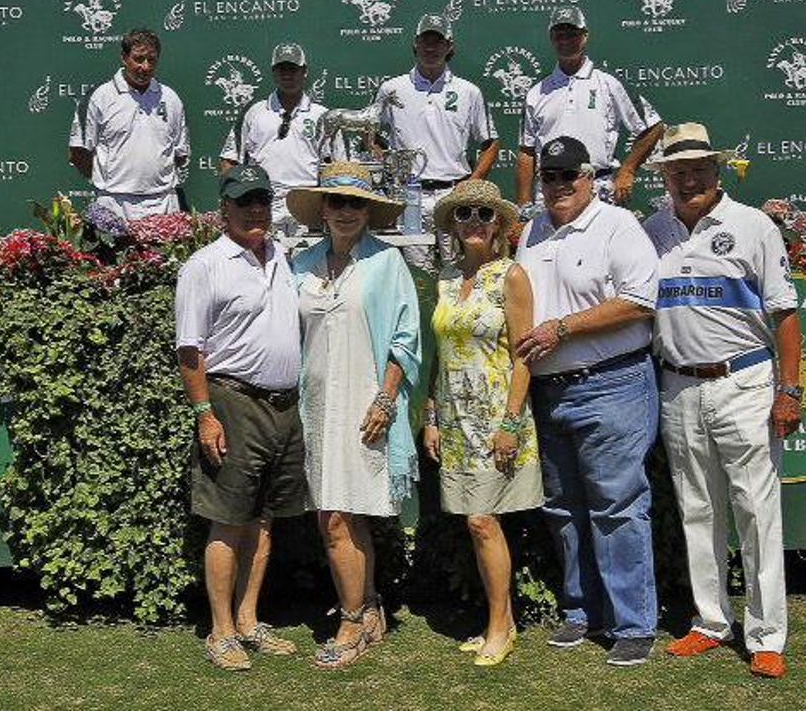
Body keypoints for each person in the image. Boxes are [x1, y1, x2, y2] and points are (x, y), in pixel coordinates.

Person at [643, 122, 802, 679]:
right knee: (697, 509)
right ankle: (711, 623)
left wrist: (789, 389)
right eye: (676, 171)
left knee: (756, 512)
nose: (687, 180)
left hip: (744, 383)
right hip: (678, 385)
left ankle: (767, 635)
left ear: (716, 171)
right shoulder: (652, 229)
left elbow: (785, 314)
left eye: (697, 170)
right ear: (664, 176)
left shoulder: (753, 225)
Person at [515, 136, 660, 666]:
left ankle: (634, 624)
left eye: (567, 176)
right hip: (549, 389)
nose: (556, 186)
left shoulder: (617, 226)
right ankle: (583, 612)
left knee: (617, 505)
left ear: (590, 178)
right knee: (563, 508)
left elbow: (641, 301)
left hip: (613, 383)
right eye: (548, 176)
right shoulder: (530, 231)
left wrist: (563, 329)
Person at [286, 161, 421, 669]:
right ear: (323, 208)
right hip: (316, 408)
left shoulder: (388, 265)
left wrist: (387, 400)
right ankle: (370, 611)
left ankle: (349, 620)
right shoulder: (301, 265)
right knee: (341, 513)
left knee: (339, 516)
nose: (345, 211)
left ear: (368, 211)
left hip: (367, 408)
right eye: (337, 201)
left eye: (355, 203)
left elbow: (406, 339)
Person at [175, 164, 306, 671]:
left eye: (262, 201)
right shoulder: (204, 265)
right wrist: (205, 414)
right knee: (228, 522)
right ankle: (221, 632)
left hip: (283, 405)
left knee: (265, 520)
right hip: (232, 403)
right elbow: (191, 350)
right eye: (245, 201)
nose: (256, 210)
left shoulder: (283, 257)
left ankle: (249, 621)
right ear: (224, 208)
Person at [423, 180, 543, 667]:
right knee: (476, 526)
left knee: (483, 521)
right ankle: (504, 622)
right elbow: (440, 356)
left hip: (497, 418)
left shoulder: (511, 276)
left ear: (499, 225)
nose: (474, 222)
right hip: (454, 421)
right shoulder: (446, 280)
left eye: (484, 214)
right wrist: (431, 416)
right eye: (464, 214)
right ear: (453, 224)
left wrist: (511, 422)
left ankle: (499, 627)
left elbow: (524, 356)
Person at [375, 13, 500, 272]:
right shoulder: (391, 89)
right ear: (415, 44)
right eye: (425, 41)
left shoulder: (469, 91)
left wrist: (471, 183)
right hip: (410, 195)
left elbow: (490, 143)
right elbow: (372, 136)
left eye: (438, 41)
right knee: (417, 275)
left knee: (459, 272)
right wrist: (390, 171)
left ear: (449, 46)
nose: (431, 48)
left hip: (453, 196)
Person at [515, 6, 663, 209]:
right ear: (551, 38)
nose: (565, 40)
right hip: (550, 194)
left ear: (585, 36)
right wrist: (524, 203)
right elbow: (526, 152)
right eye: (560, 35)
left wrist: (628, 170)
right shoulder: (536, 93)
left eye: (572, 34)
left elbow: (653, 127)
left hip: (597, 191)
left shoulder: (609, 83)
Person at [69, 28, 190, 220]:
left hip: (164, 204)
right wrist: (110, 182)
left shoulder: (171, 98)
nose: (145, 66)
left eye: (152, 60)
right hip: (114, 204)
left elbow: (180, 155)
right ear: (124, 58)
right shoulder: (99, 97)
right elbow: (78, 153)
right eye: (139, 59)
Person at [220, 42, 329, 237]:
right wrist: (234, 205)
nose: (287, 75)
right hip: (262, 205)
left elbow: (334, 167)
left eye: (293, 69)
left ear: (304, 71)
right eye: (282, 69)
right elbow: (229, 162)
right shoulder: (254, 113)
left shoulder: (322, 116)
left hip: (309, 206)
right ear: (273, 72)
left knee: (310, 266)